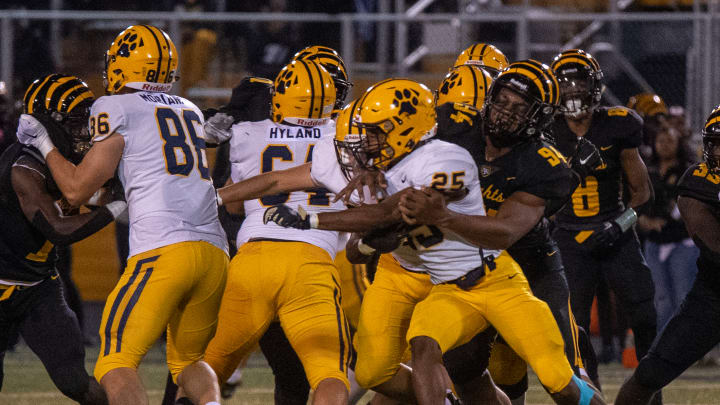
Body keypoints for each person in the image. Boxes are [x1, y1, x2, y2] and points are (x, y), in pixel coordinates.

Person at [265, 78, 604, 405]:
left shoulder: (448, 160)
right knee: (426, 347)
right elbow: (369, 234)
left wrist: (313, 219)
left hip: (498, 278)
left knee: (559, 381)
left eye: (377, 135)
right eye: (500, 100)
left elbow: (396, 214)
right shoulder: (425, 148)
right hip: (447, 288)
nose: (368, 144)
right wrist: (360, 192)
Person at [16, 25, 229, 405]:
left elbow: (77, 188)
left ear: (121, 66)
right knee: (188, 362)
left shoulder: (114, 106)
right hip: (214, 252)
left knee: (115, 362)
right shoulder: (191, 110)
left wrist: (44, 143)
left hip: (163, 250)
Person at [412, 59, 601, 405]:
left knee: (566, 376)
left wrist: (442, 215)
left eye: (519, 108)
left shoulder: (544, 164)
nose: (504, 113)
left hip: (530, 268)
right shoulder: (454, 128)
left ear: (540, 117)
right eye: (501, 101)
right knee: (465, 372)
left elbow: (503, 233)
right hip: (469, 271)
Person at [201, 59, 351, 405]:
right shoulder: (343, 136)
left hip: (252, 257)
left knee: (204, 368)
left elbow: (248, 197)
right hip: (313, 261)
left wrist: (216, 196)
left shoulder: (246, 132)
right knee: (329, 374)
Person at [1, 74, 125, 405]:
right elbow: (58, 228)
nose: (84, 130)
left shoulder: (64, 161)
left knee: (74, 381)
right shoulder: (24, 169)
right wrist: (117, 206)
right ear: (47, 123)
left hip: (38, 286)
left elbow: (96, 192)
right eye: (75, 122)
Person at [549, 49, 659, 399]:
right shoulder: (545, 131)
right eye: (564, 83)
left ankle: (648, 392)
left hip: (616, 233)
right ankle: (590, 396)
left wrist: (620, 226)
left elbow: (643, 193)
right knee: (575, 330)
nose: (571, 90)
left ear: (594, 86)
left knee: (644, 315)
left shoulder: (618, 124)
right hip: (569, 238)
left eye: (578, 81)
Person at [614, 106, 720, 405]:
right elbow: (712, 244)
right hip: (713, 298)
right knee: (649, 374)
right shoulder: (699, 181)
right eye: (718, 145)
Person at [639, 125, 699, 330]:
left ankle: (690, 348)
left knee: (683, 295)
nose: (664, 146)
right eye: (660, 141)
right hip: (655, 242)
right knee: (660, 298)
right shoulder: (648, 168)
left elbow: (690, 206)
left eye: (669, 141)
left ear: (679, 144)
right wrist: (642, 219)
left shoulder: (688, 169)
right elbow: (636, 199)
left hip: (682, 241)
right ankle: (662, 348)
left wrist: (668, 217)